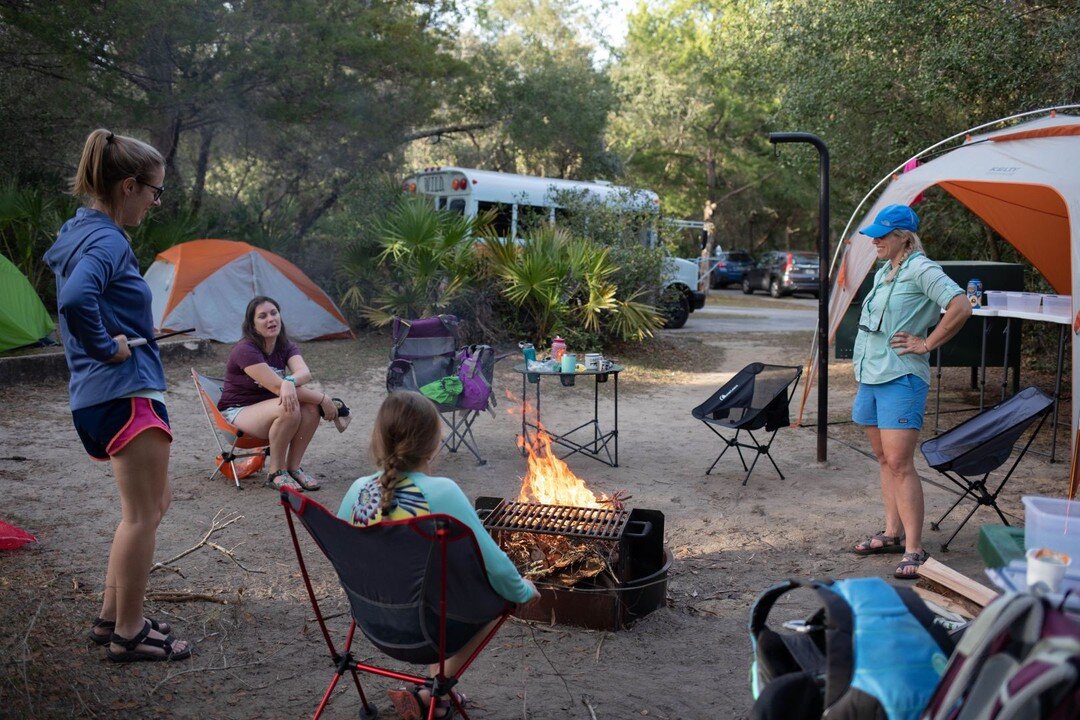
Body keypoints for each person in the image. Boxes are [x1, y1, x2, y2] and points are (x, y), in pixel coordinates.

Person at [44, 128, 192, 661]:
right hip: (124, 390)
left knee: (148, 507)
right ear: (129, 186)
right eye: (155, 191)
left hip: (95, 397)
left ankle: (112, 618)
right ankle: (130, 633)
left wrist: (112, 337)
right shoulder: (107, 239)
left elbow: (83, 298)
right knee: (144, 514)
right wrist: (109, 347)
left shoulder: (80, 230)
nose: (156, 202)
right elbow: (78, 299)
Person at [337, 391, 539, 719]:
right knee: (501, 597)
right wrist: (524, 590)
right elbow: (498, 570)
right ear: (433, 443)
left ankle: (433, 696)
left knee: (434, 586)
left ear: (379, 437)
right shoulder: (442, 492)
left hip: (373, 623)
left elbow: (347, 558)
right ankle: (435, 689)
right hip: (427, 632)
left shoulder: (358, 490)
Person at [849, 204, 972, 578]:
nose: (876, 241)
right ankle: (891, 532)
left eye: (883, 235)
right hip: (871, 374)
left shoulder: (921, 268)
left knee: (901, 462)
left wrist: (927, 343)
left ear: (905, 237)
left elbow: (960, 305)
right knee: (884, 459)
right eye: (874, 235)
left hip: (901, 377)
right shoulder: (886, 271)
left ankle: (914, 549)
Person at [217, 295, 345, 491]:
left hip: (270, 408)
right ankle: (276, 472)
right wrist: (324, 399)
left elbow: (304, 373)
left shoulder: (285, 346)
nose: (270, 319)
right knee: (289, 407)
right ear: (252, 325)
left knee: (309, 408)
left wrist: (289, 381)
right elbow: (278, 388)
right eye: (262, 316)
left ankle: (293, 468)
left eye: (274, 313)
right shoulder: (245, 350)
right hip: (238, 413)